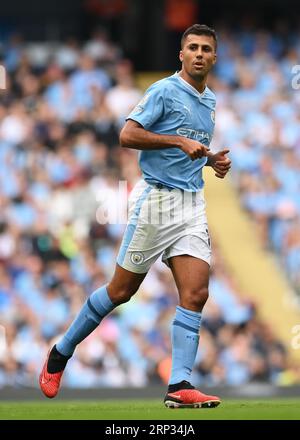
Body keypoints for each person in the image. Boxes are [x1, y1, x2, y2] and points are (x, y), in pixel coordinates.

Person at [39, 24, 231, 408]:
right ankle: (61, 351)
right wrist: (178, 140)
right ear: (181, 54)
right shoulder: (163, 90)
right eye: (191, 47)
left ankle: (179, 385)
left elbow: (189, 151)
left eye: (205, 48)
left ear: (213, 57)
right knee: (121, 291)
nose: (198, 53)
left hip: (191, 203)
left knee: (196, 293)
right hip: (156, 202)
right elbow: (127, 135)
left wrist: (213, 162)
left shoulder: (209, 100)